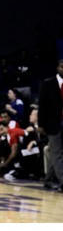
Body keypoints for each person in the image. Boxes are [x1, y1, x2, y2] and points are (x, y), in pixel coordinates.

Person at [38, 59, 63, 192]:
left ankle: (48, 180)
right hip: (53, 123)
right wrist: (41, 124)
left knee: (56, 153)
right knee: (57, 152)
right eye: (62, 67)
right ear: (57, 67)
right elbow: (43, 106)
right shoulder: (48, 84)